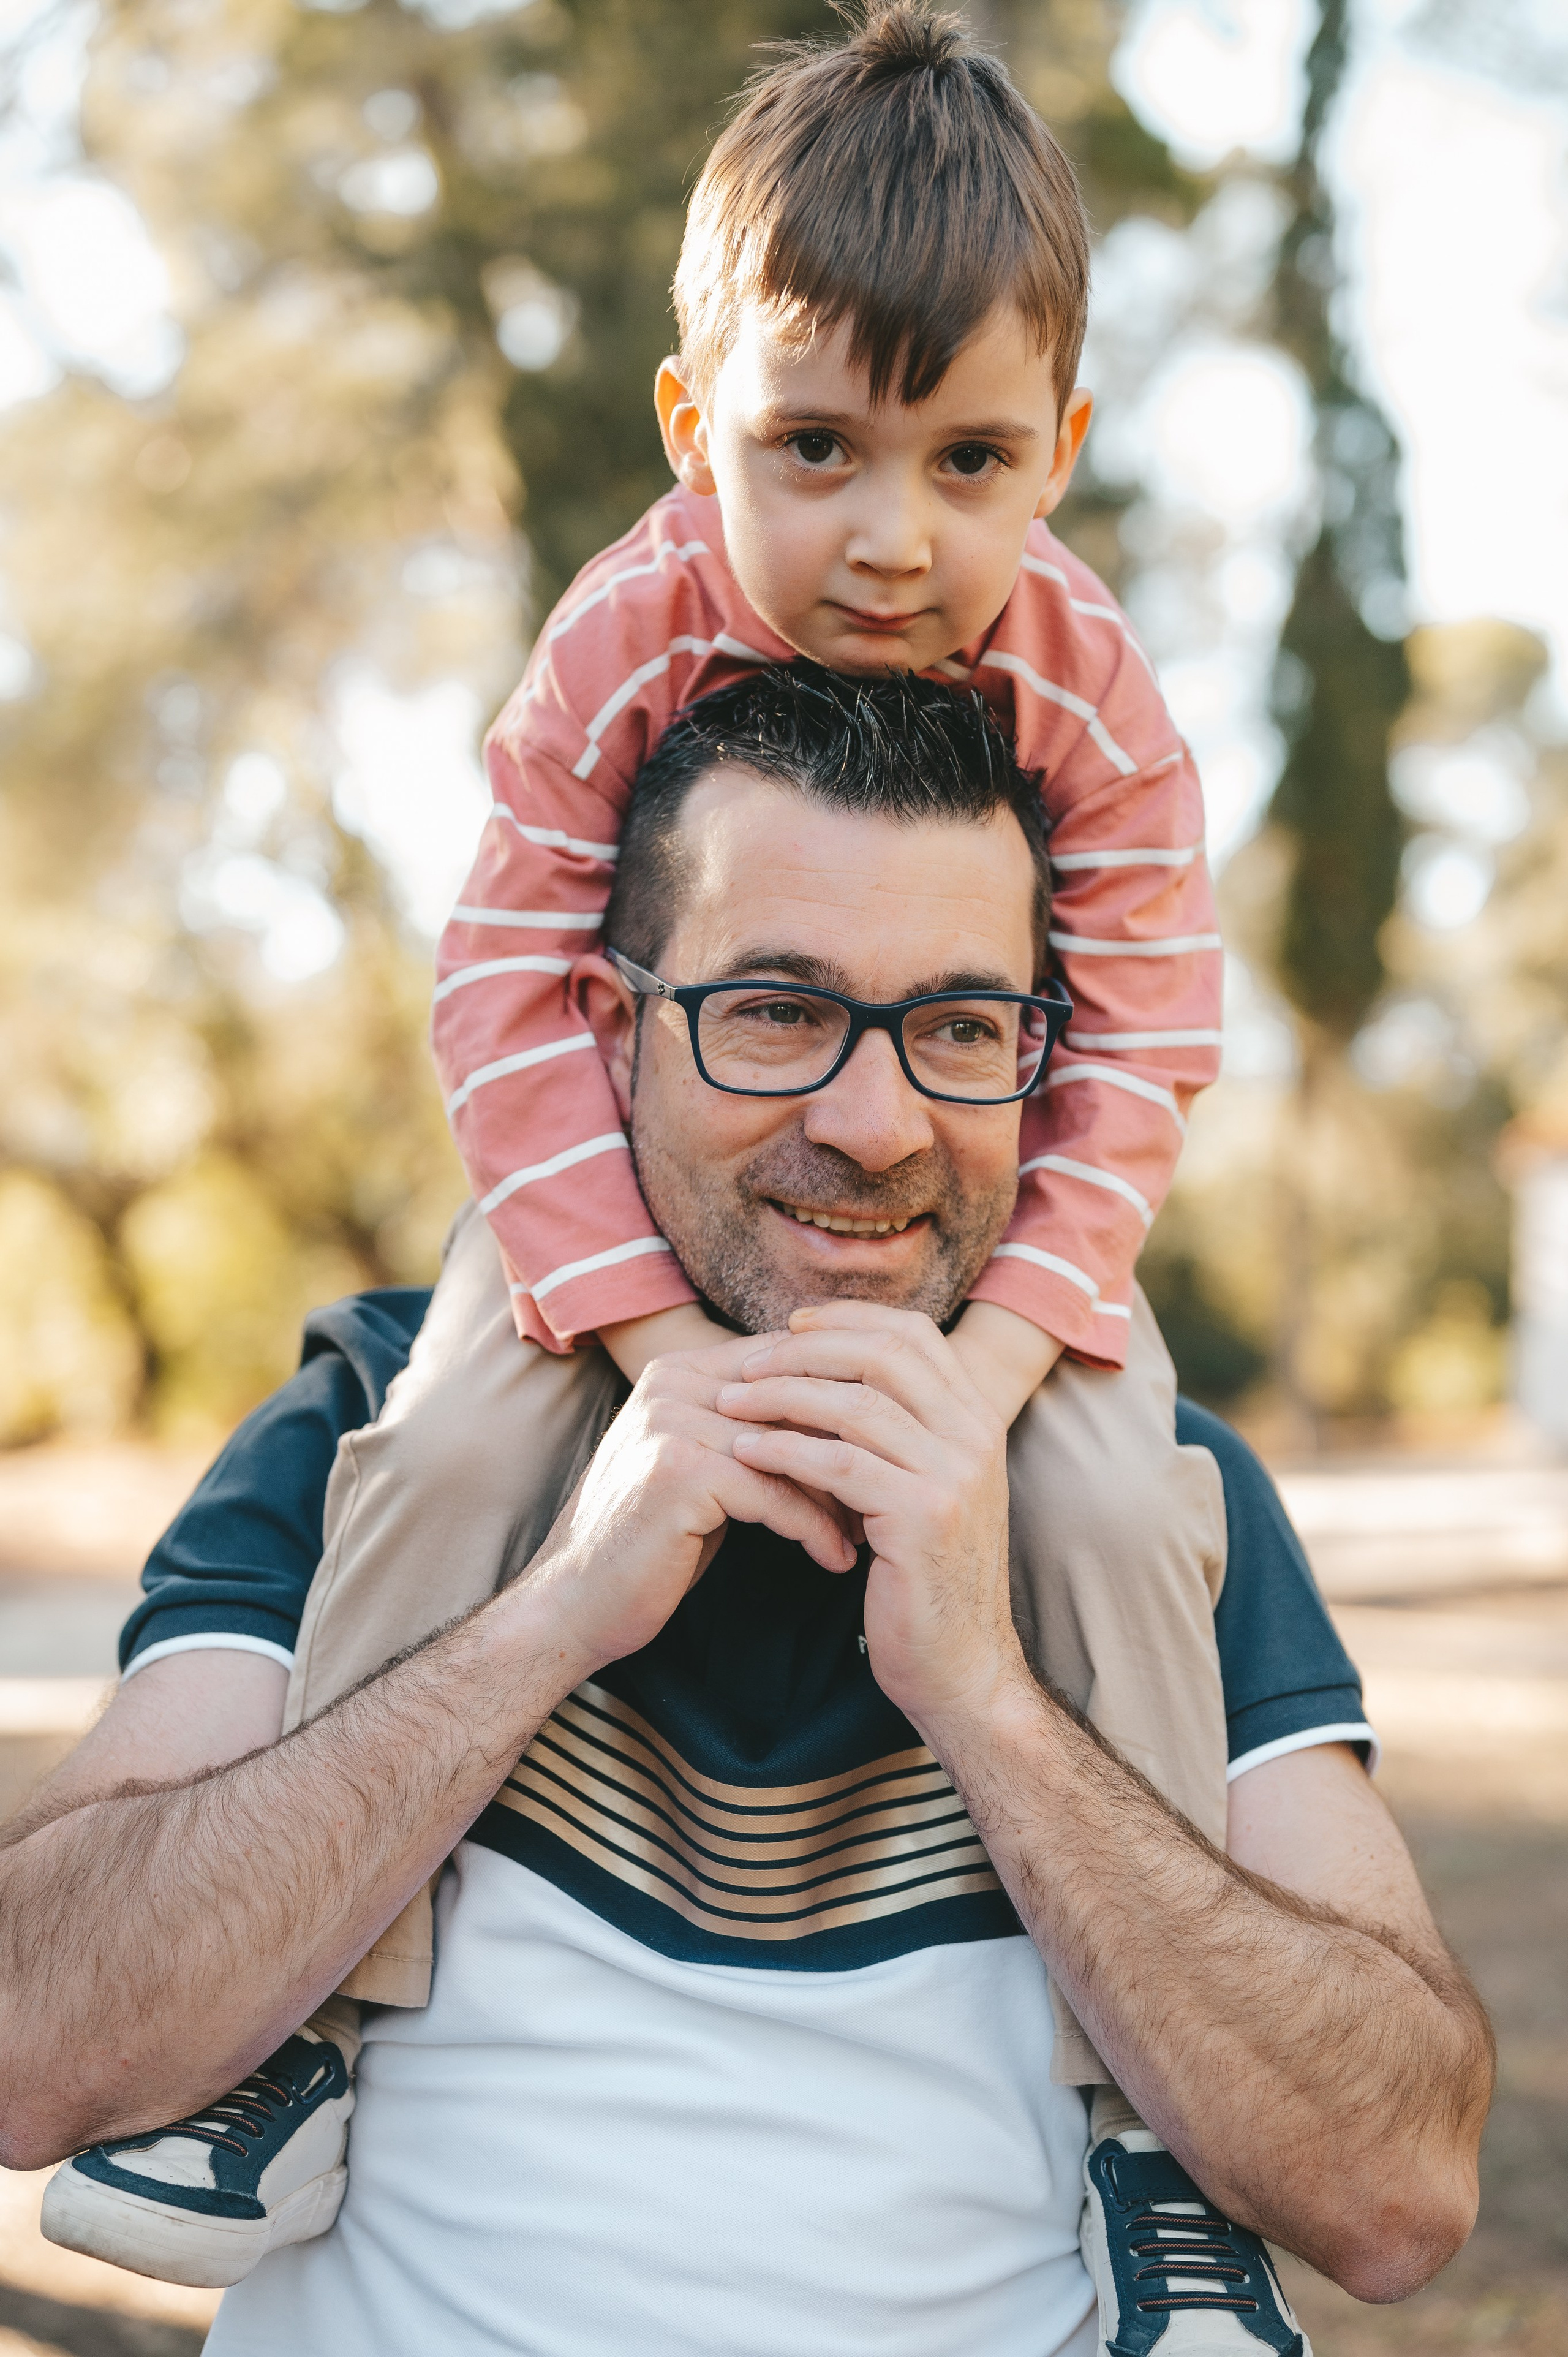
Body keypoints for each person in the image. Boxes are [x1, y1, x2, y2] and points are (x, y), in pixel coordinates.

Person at [2, 672, 1491, 2357]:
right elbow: (33, 2042)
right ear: (609, 1028)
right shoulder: (383, 1423)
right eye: (776, 1012)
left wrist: (994, 1700)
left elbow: (1396, 2191)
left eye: (959, 1027)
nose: (875, 1126)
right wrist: (549, 1614)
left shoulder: (1151, 1496)